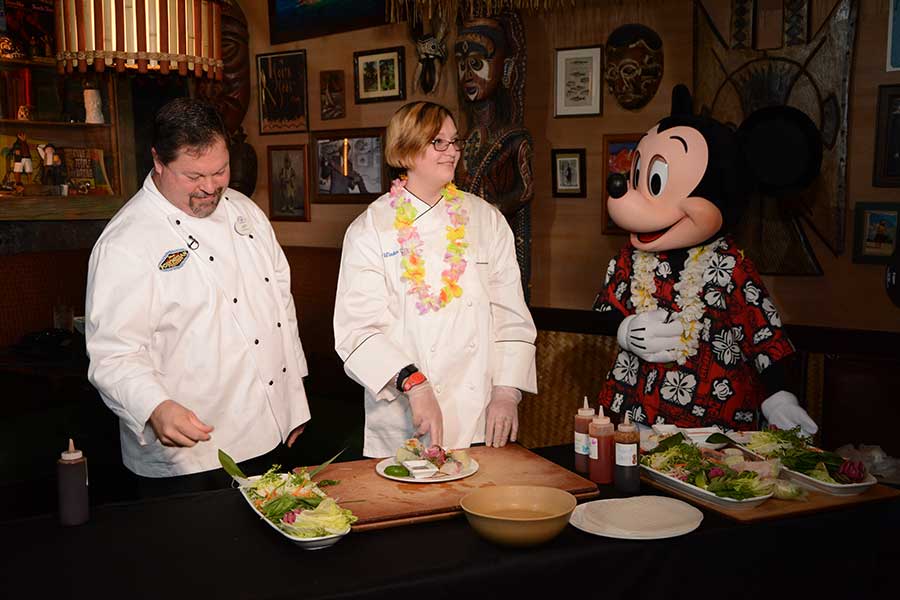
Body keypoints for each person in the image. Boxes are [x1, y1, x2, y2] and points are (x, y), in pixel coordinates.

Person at [85, 98, 311, 492]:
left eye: (220, 171)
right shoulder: (126, 242)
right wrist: (155, 407)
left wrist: (294, 403)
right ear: (158, 161)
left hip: (269, 428)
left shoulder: (246, 213)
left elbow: (280, 306)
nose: (210, 187)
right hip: (191, 453)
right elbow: (114, 354)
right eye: (193, 176)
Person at [333, 101, 537, 458]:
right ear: (406, 150)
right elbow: (356, 331)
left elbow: (512, 317)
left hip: (480, 416)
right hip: (404, 416)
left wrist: (507, 393)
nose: (453, 152)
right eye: (438, 143)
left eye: (455, 142)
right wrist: (415, 384)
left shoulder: (486, 220)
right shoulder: (371, 229)